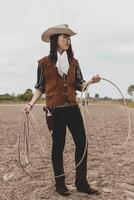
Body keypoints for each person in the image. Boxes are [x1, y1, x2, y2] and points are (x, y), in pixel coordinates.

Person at [22, 24, 101, 197]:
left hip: (73, 109)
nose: (68, 40)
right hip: (55, 111)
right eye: (64, 37)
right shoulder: (43, 63)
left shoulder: (74, 62)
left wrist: (91, 82)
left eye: (69, 38)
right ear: (54, 39)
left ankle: (81, 182)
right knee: (58, 147)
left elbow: (79, 85)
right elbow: (40, 87)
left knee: (82, 143)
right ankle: (60, 184)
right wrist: (30, 104)